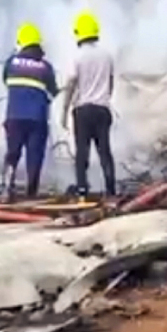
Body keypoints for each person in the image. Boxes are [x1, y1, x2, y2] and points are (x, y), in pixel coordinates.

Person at [60, 11, 117, 198]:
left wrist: (64, 110)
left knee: (82, 153)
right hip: (102, 109)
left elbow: (70, 84)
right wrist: (105, 99)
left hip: (83, 110)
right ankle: (111, 190)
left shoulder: (77, 57)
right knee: (105, 152)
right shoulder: (107, 56)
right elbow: (110, 83)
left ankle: (82, 189)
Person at [1, 23, 58, 201]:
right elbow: (53, 91)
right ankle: (31, 193)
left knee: (12, 154)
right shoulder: (45, 67)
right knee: (34, 157)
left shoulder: (11, 63)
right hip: (37, 119)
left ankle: (6, 189)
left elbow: (6, 81)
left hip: (14, 117)